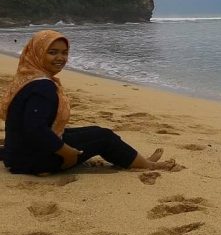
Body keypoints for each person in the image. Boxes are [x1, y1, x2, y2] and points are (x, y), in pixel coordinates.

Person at [0, 30, 178, 175]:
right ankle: (147, 166)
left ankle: (138, 160)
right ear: (37, 53)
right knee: (104, 138)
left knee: (94, 131)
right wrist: (67, 153)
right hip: (34, 161)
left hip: (17, 154)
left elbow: (28, 126)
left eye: (64, 52)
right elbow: (35, 129)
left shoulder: (28, 78)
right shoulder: (43, 88)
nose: (60, 58)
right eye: (52, 52)